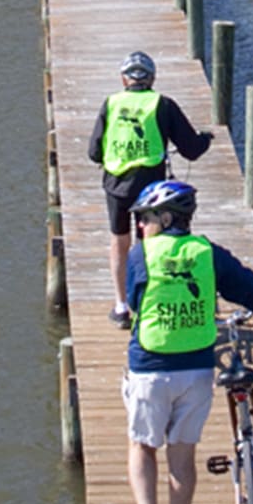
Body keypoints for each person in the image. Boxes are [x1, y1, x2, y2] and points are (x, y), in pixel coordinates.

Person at [123, 178, 253, 504]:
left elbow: (133, 300)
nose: (141, 225)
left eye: (146, 218)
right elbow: (246, 285)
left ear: (166, 219)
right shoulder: (207, 252)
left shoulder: (140, 254)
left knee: (142, 447)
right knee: (182, 458)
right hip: (197, 370)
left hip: (150, 367)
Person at [88, 51, 212, 328]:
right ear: (152, 79)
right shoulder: (163, 104)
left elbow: (93, 152)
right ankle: (147, 302)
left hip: (116, 185)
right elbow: (191, 150)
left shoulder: (110, 104)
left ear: (124, 80)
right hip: (151, 188)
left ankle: (121, 307)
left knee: (119, 241)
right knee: (150, 244)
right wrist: (206, 139)